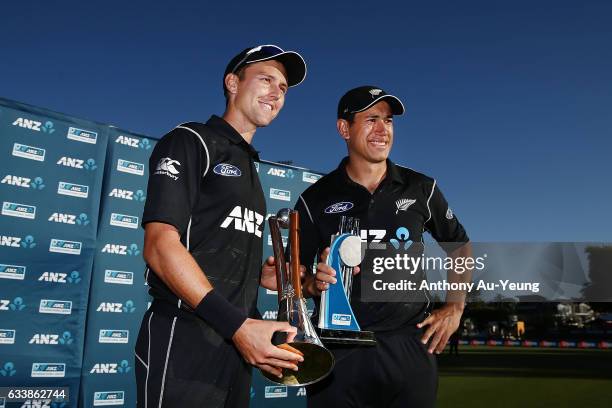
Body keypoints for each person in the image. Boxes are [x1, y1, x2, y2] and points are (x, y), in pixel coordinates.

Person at [134, 44, 308, 408]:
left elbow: (213, 251)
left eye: (284, 88)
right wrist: (238, 327)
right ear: (232, 82)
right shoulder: (190, 140)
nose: (277, 92)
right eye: (265, 79)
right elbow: (160, 246)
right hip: (184, 338)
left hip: (235, 346)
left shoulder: (249, 168)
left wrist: (257, 281)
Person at [295, 85, 473, 407]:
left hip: (409, 345)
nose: (383, 130)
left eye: (388, 121)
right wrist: (311, 284)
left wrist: (456, 306)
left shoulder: (421, 187)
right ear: (344, 128)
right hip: (339, 351)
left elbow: (459, 247)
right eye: (372, 119)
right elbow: (299, 276)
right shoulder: (314, 198)